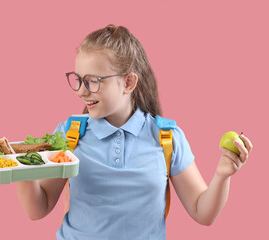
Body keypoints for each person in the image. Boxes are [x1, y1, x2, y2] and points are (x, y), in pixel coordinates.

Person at [17, 24, 253, 239]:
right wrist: (20, 168)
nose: (81, 91)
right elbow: (39, 208)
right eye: (78, 80)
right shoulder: (69, 135)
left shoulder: (167, 138)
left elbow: (203, 213)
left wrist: (223, 175)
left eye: (93, 81)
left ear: (129, 83)